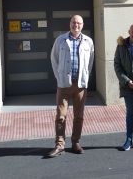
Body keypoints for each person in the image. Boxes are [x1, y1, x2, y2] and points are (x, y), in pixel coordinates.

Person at [46, 15, 94, 158]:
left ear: (82, 25)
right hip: (64, 85)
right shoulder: (60, 40)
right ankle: (60, 145)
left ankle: (75, 143)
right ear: (70, 24)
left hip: (80, 85)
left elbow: (90, 63)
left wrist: (85, 77)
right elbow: (53, 59)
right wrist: (59, 76)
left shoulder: (88, 42)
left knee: (79, 116)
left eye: (79, 23)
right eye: (74, 22)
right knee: (61, 116)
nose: (76, 25)